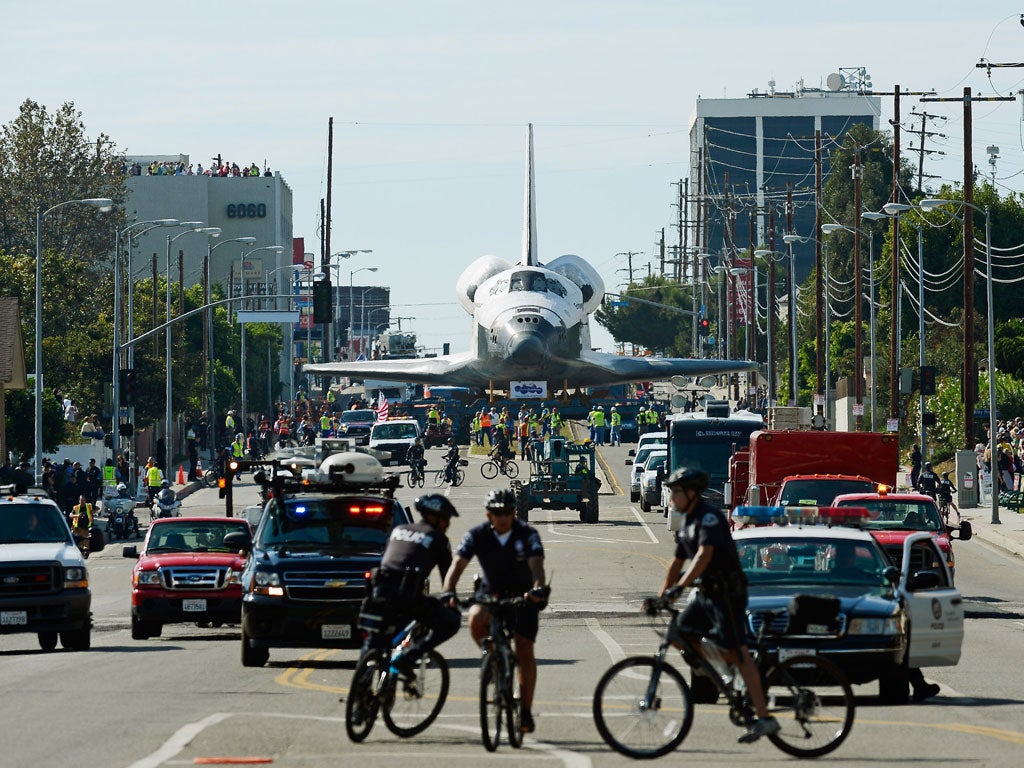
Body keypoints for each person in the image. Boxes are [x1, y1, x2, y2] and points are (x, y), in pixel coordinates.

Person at [657, 466, 779, 743]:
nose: (672, 497)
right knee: (679, 635)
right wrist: (661, 595)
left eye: (676, 492)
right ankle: (723, 671)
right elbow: (676, 563)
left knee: (738, 652)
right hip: (705, 595)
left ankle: (764, 717)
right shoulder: (685, 521)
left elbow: (703, 556)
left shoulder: (709, 518)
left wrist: (679, 589)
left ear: (691, 493)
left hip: (726, 593)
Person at [443, 488, 549, 734]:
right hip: (491, 593)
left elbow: (537, 567)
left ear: (514, 513)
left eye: (508, 512)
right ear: (488, 515)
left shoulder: (527, 534)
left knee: (524, 649)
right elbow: (458, 563)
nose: (503, 517)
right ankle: (492, 658)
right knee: (475, 617)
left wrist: (538, 589)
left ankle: (525, 711)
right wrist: (448, 590)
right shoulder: (477, 534)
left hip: (523, 596)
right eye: (497, 513)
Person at [359, 494, 461, 677]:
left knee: (373, 639)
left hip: (377, 593)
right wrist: (451, 599)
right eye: (445, 518)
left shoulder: (398, 530)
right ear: (432, 517)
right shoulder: (438, 539)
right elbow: (448, 579)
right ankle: (408, 658)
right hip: (406, 596)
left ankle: (360, 689)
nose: (448, 524)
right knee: (452, 621)